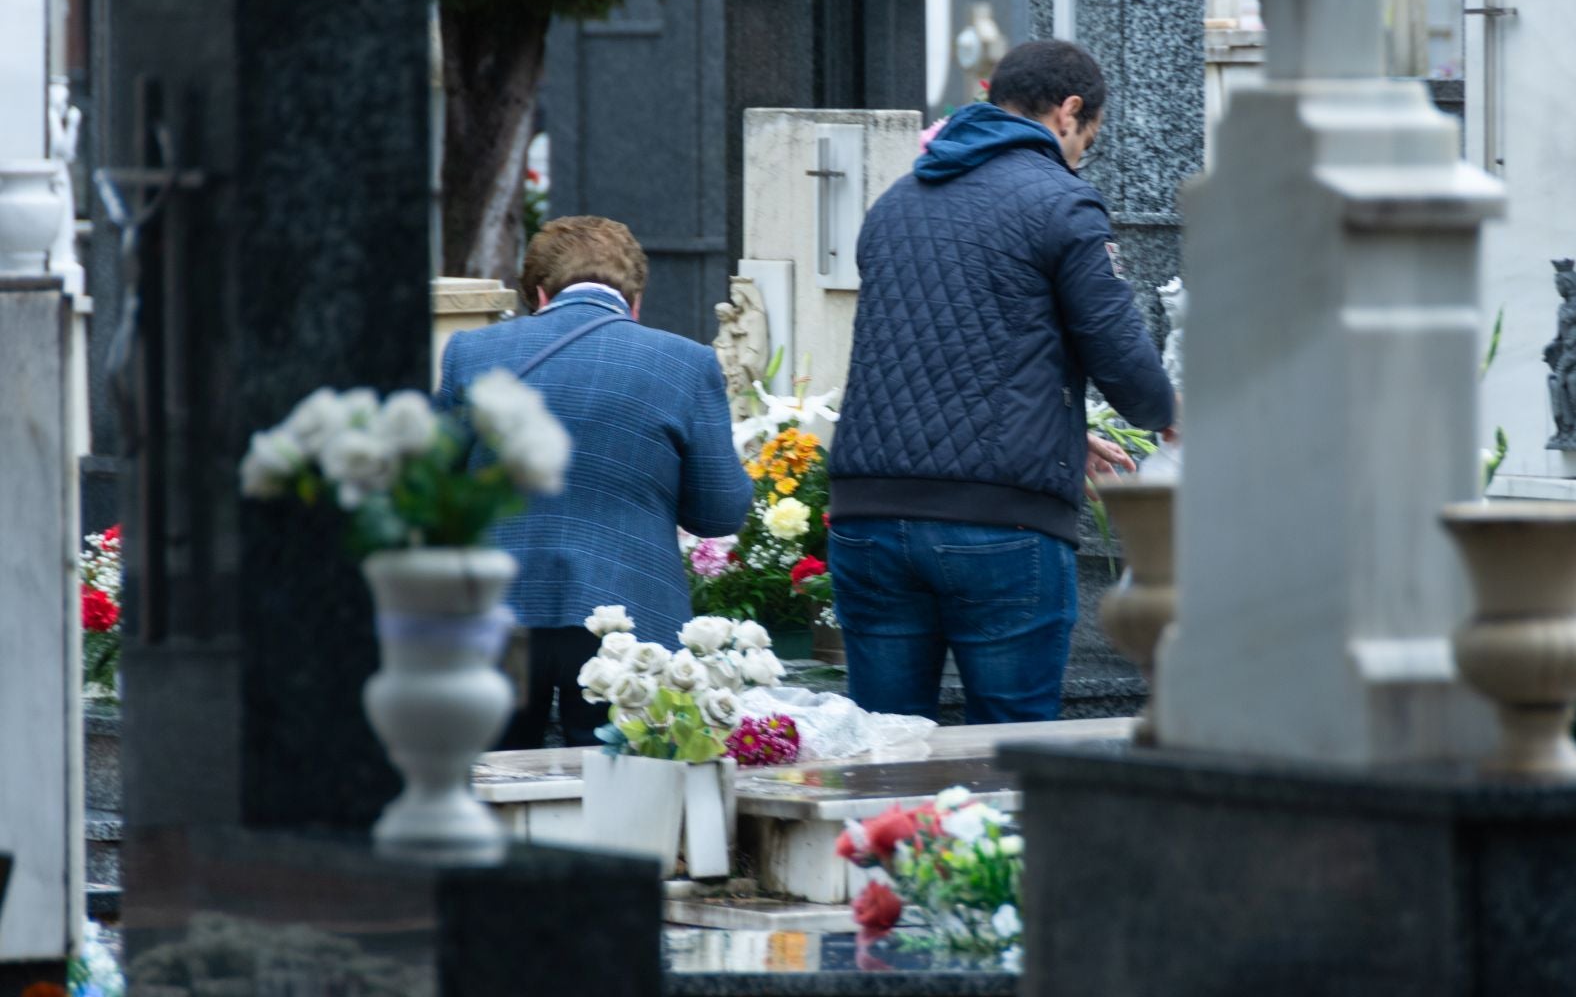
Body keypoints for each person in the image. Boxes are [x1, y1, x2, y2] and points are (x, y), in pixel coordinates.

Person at [828, 40, 1177, 723]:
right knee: (1010, 759)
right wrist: (1169, 412)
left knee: (883, 751)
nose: (1081, 157)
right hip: (1000, 525)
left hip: (867, 515)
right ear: (1070, 112)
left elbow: (937, 349)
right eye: (1090, 141)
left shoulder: (895, 203)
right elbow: (1119, 355)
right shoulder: (1062, 202)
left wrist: (1060, 432)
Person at [437, 216, 751, 747]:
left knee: (492, 787)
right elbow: (719, 513)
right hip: (627, 621)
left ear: (539, 293)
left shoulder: (472, 352)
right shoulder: (686, 364)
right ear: (635, 300)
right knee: (623, 796)